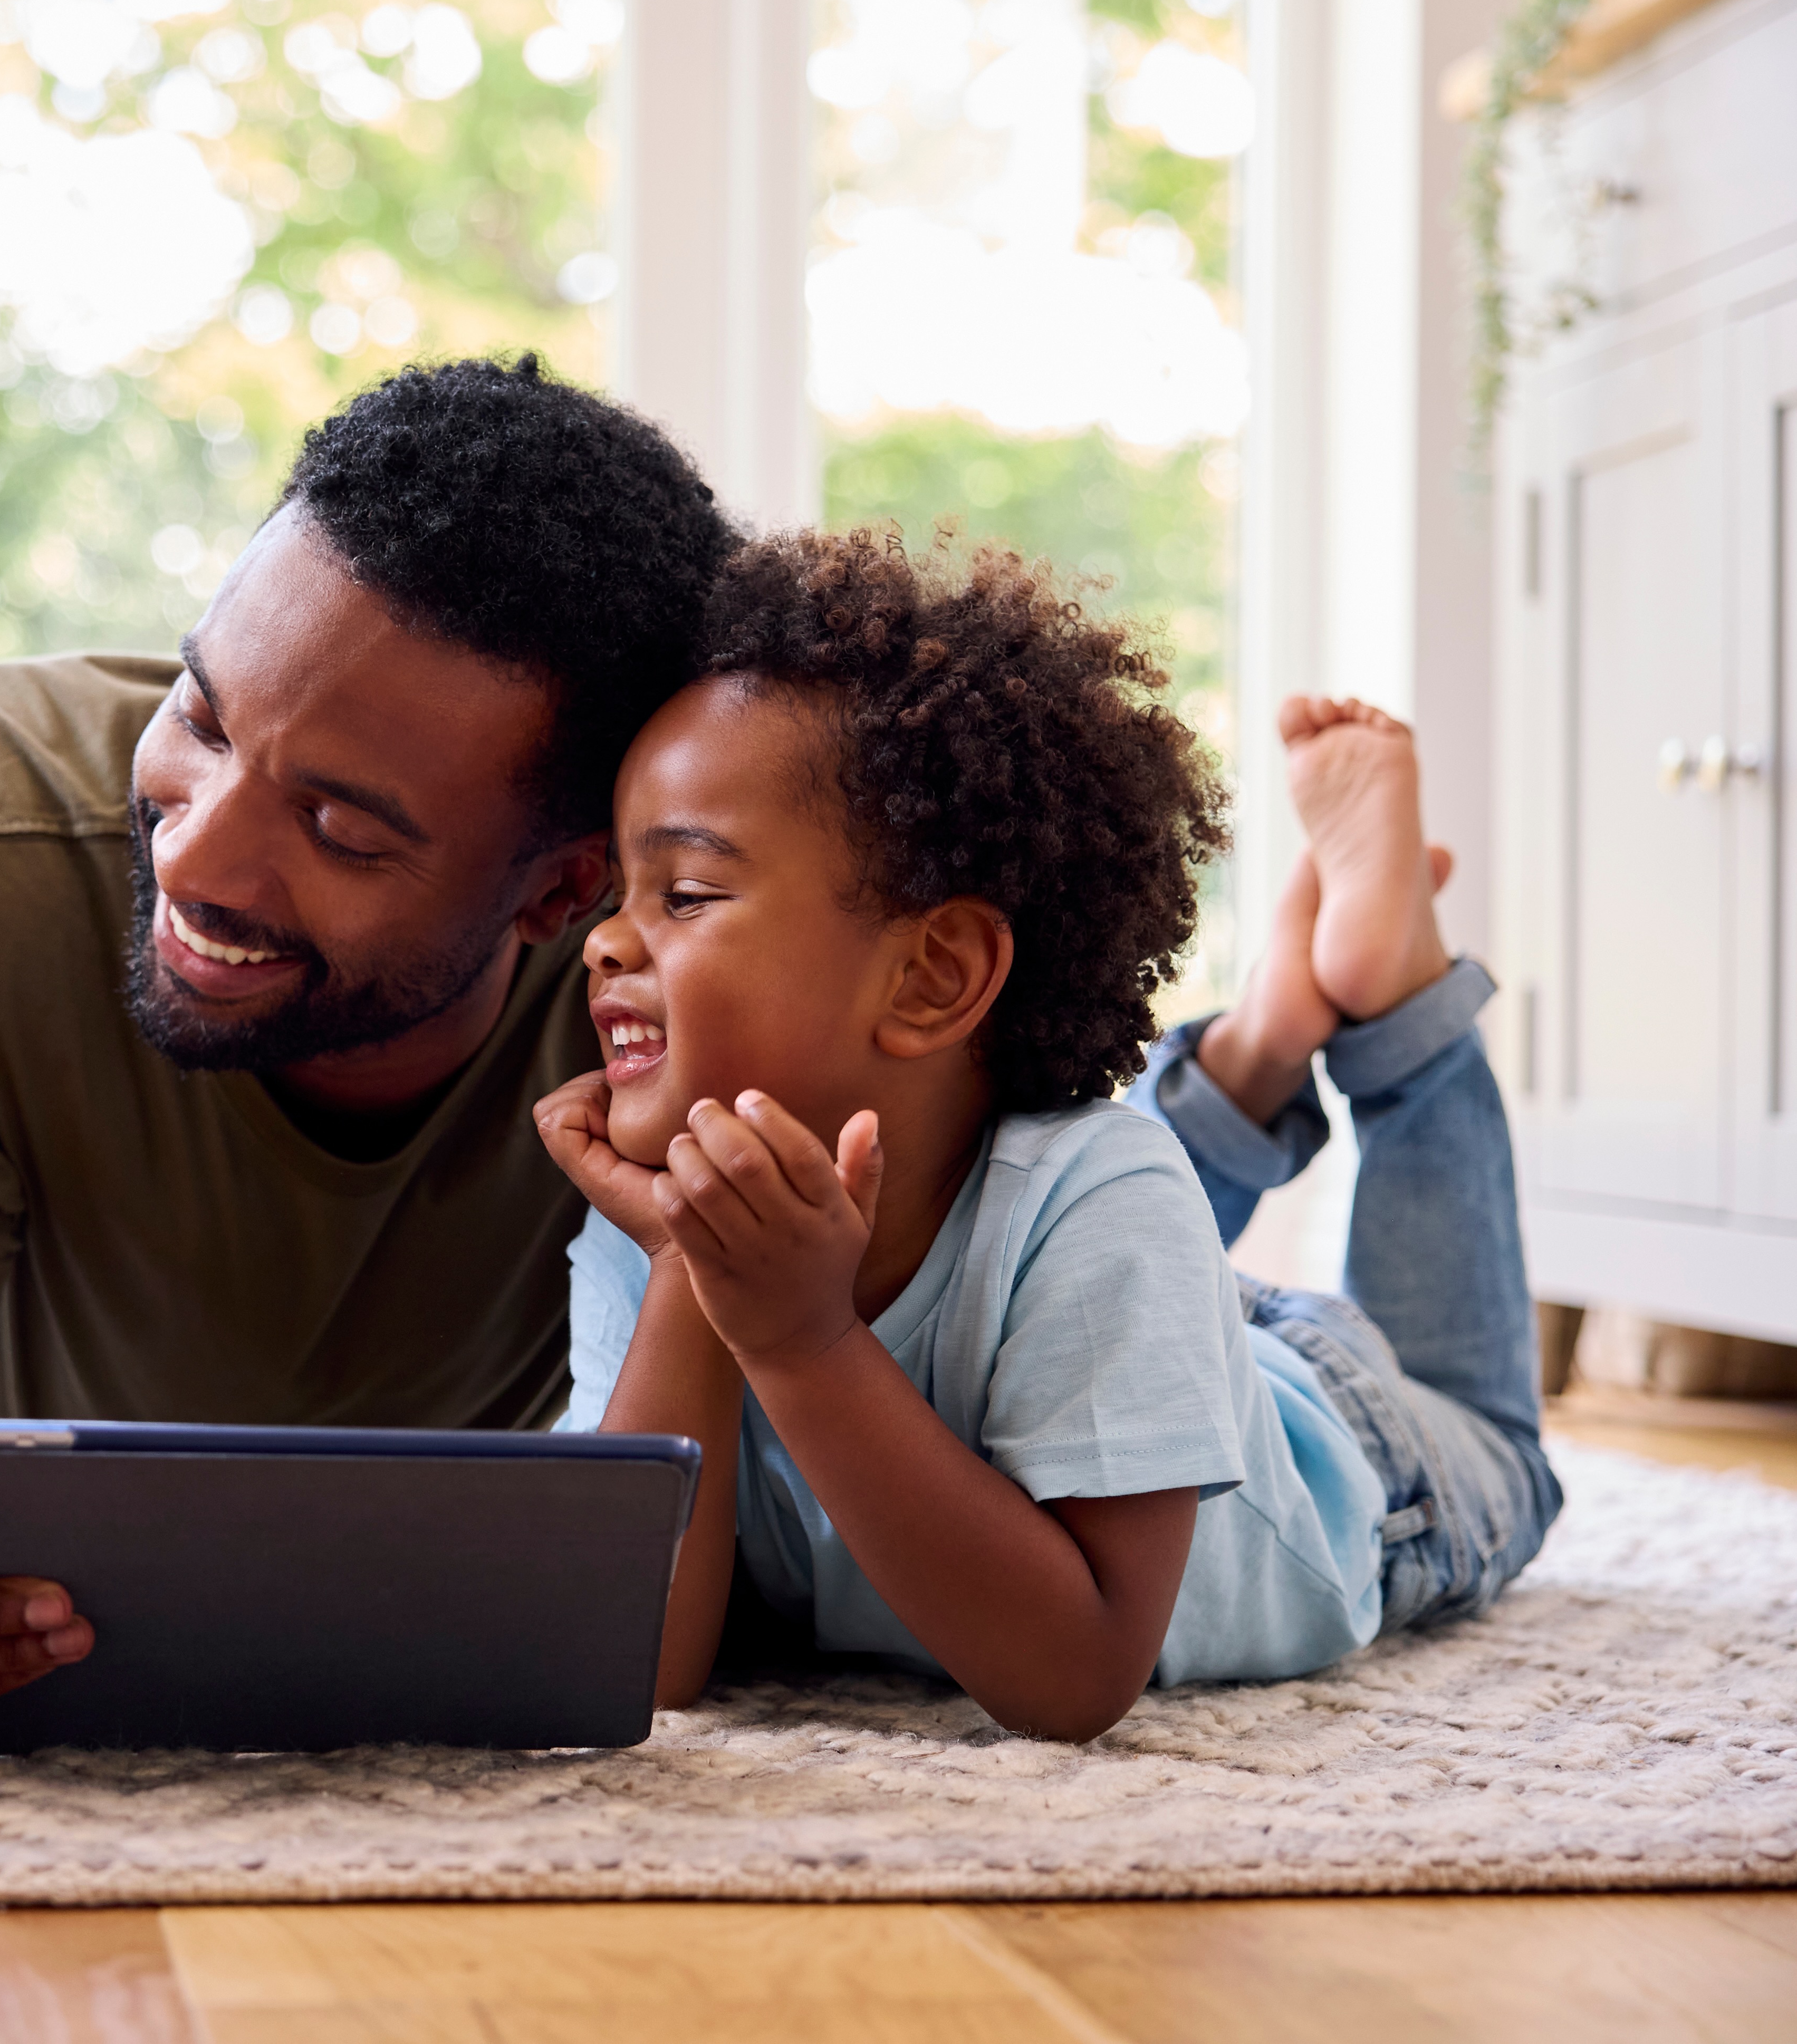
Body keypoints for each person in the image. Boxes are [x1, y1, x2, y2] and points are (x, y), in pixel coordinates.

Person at [0, 355, 736, 1769]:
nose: (193, 853)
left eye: (341, 827)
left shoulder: (678, 979)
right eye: (203, 719)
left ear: (557, 892)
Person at [541, 527, 1561, 1736]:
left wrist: (802, 1341)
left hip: (1358, 1455)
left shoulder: (1101, 1197)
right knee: (1057, 1194)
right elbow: (639, 1658)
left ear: (930, 977)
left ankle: (1391, 997)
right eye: (616, 895)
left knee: (1492, 1438)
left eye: (687, 894)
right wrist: (681, 1271)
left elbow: (1077, 1673)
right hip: (1144, 1319)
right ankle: (1259, 1044)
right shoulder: (652, 1221)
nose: (605, 940)